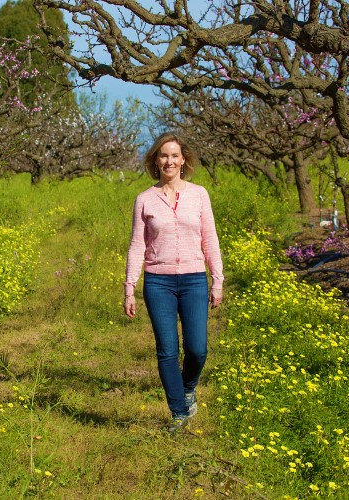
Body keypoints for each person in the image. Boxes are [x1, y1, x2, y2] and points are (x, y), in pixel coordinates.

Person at [123, 132, 224, 432]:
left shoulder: (199, 194)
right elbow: (136, 246)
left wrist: (217, 280)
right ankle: (178, 413)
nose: (169, 160)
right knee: (167, 350)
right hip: (158, 283)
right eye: (163, 155)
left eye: (174, 155)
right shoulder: (144, 199)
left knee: (197, 349)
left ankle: (188, 386)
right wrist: (129, 288)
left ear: (183, 160)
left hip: (194, 279)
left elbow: (210, 240)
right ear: (156, 160)